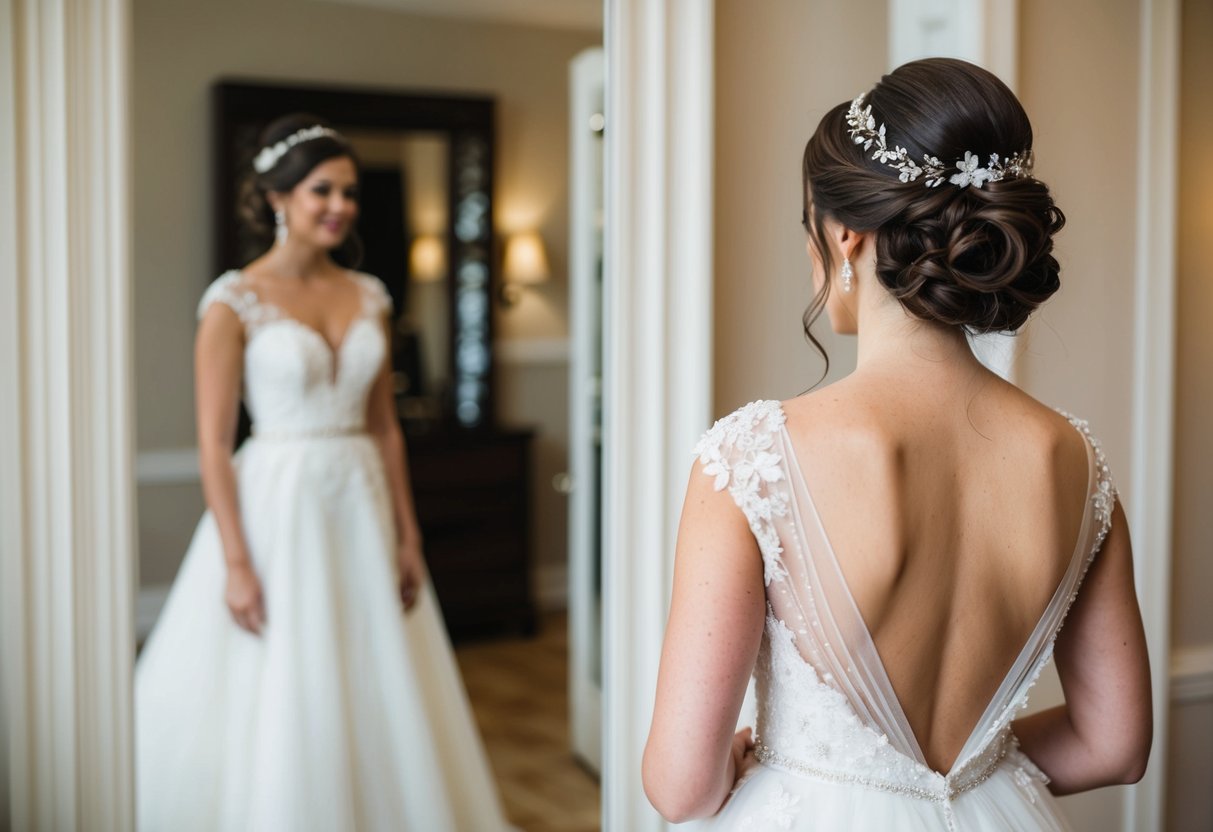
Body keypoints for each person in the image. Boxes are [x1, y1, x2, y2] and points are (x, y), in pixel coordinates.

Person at [642, 58, 1152, 830]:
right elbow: (1112, 744)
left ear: (843, 235)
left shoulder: (753, 457)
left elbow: (682, 788)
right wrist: (971, 779)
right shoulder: (1072, 460)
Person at [135, 114, 515, 832]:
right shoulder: (231, 301)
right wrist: (237, 561)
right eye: (321, 191)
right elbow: (214, 445)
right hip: (279, 500)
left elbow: (385, 428)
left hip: (361, 495)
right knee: (287, 672)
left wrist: (408, 537)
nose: (340, 206)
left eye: (348, 192)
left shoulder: (370, 294)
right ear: (277, 198)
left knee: (376, 670)